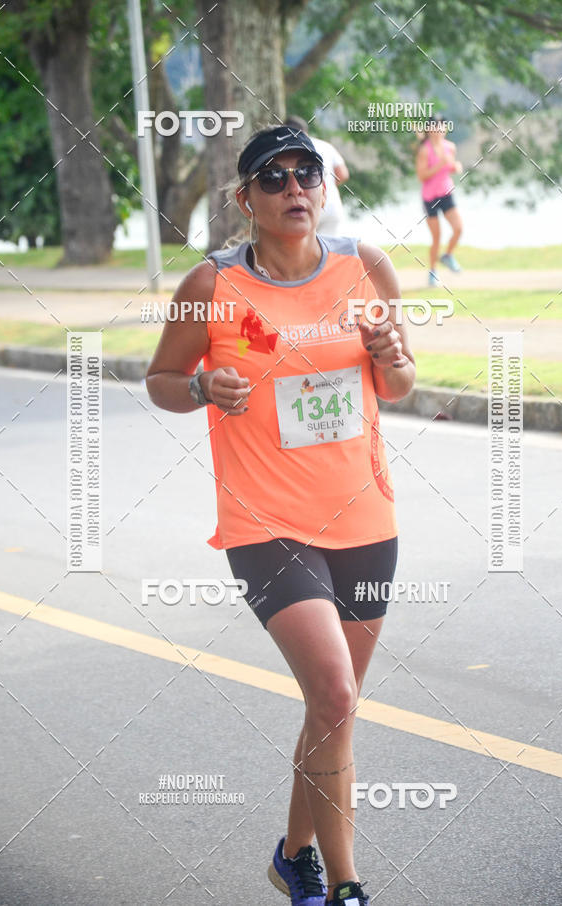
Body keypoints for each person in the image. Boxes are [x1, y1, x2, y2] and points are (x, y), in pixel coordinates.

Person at [145, 125, 415, 906]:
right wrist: (202, 388)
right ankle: (347, 886)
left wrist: (390, 355)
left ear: (323, 189)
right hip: (265, 523)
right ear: (245, 199)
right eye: (274, 177)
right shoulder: (213, 284)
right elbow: (161, 377)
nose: (295, 187)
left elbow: (397, 387)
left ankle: (291, 853)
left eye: (308, 174)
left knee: (332, 713)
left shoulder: (366, 266)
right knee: (334, 696)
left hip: (366, 519)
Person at [415, 113, 464, 286]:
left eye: (441, 127)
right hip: (430, 197)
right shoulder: (424, 150)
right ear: (429, 130)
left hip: (446, 193)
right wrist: (440, 164)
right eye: (434, 127)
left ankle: (448, 255)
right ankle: (433, 271)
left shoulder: (450, 147)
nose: (438, 130)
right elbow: (422, 176)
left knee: (459, 228)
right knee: (437, 237)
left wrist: (455, 167)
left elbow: (450, 165)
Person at [284, 115, 349, 236]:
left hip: (305, 208)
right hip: (332, 206)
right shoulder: (326, 146)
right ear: (305, 130)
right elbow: (343, 174)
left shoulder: (288, 149)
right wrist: (323, 185)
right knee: (331, 250)